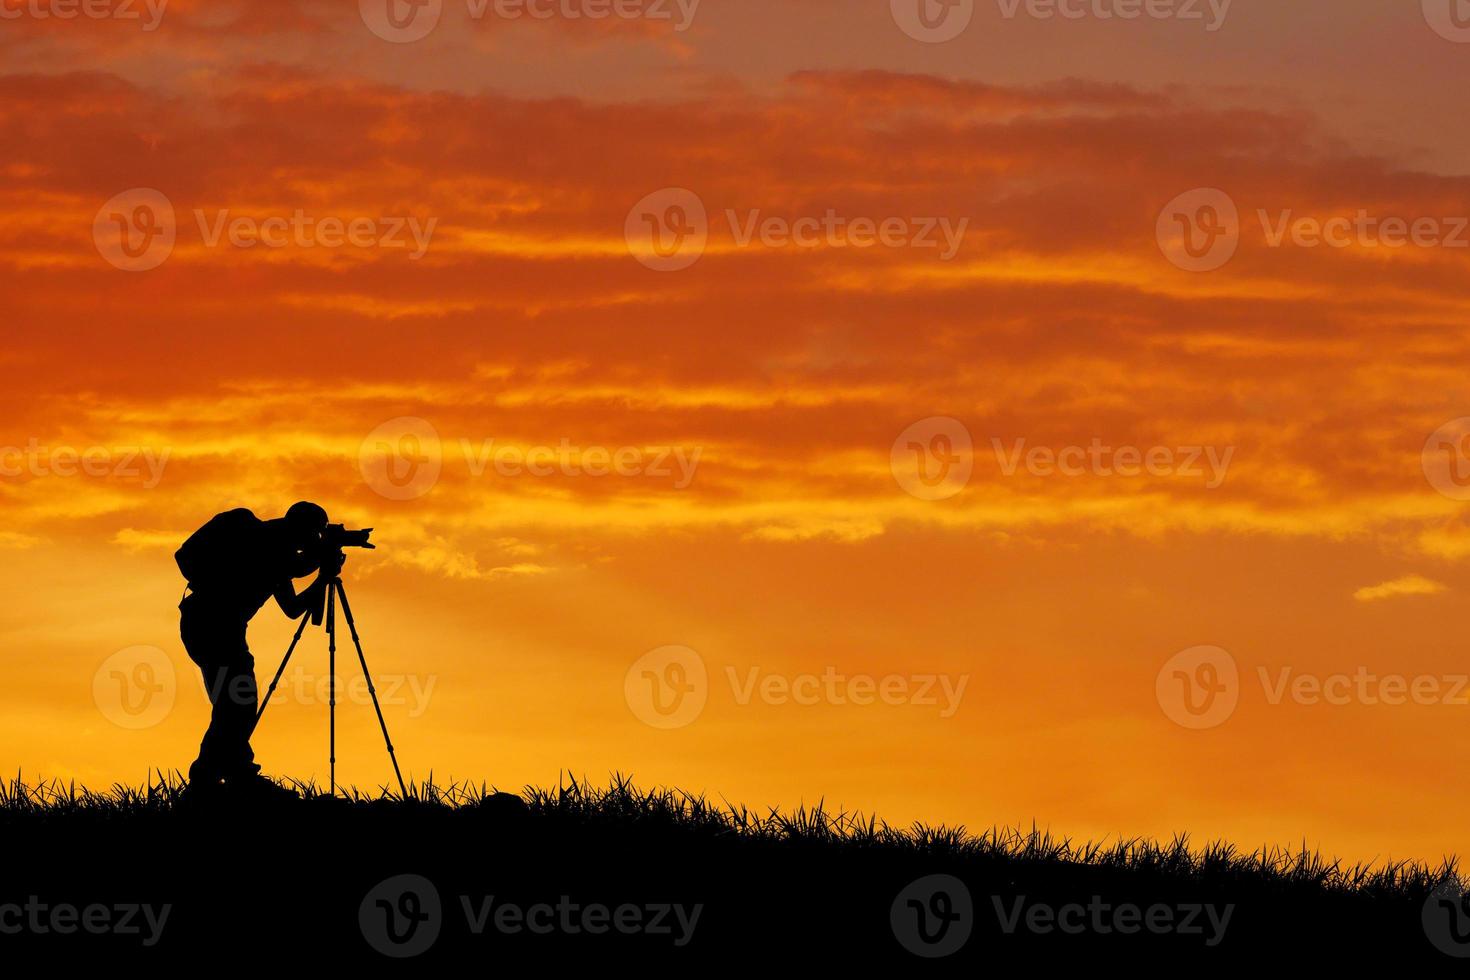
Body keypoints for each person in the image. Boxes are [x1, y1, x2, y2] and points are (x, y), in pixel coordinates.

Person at [175, 501, 342, 796]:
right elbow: (292, 566)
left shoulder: (276, 552)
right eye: (312, 536)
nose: (311, 543)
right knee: (236, 703)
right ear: (299, 530)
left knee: (233, 704)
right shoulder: (261, 542)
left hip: (212, 627)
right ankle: (209, 779)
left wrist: (322, 575)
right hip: (212, 626)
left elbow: (292, 608)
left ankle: (233, 773)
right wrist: (322, 568)